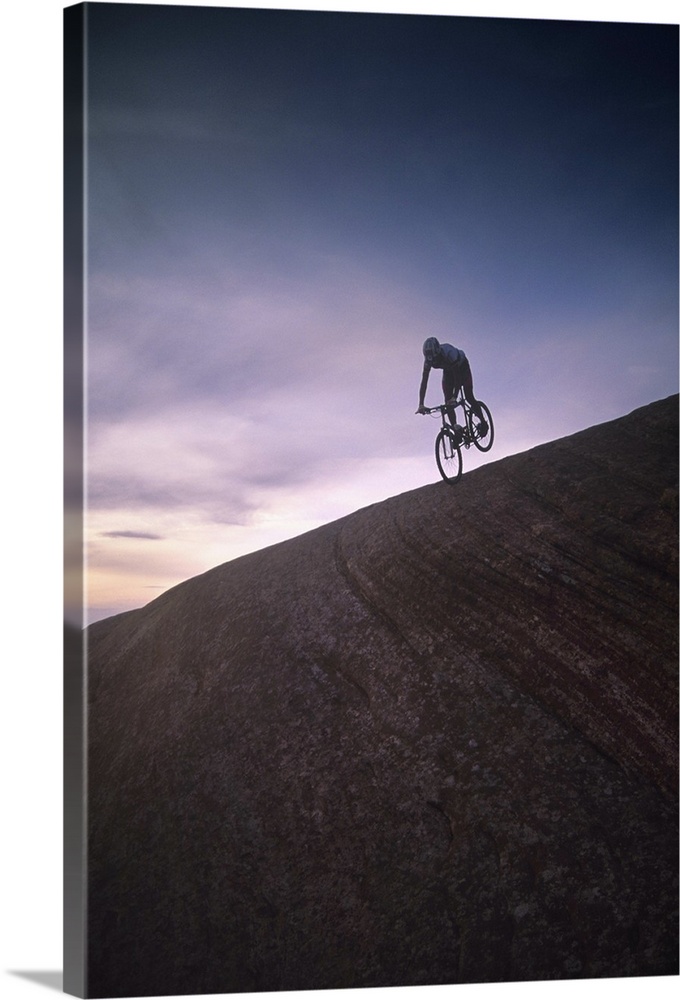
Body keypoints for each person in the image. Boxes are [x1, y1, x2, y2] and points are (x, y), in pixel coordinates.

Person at [416, 336, 486, 434]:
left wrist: (455, 397)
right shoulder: (428, 361)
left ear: (438, 352)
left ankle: (483, 422)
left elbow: (457, 376)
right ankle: (456, 428)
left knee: (469, 396)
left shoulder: (448, 352)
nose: (434, 362)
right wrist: (421, 404)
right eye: (432, 361)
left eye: (435, 359)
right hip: (448, 372)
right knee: (447, 402)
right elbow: (424, 382)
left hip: (462, 368)